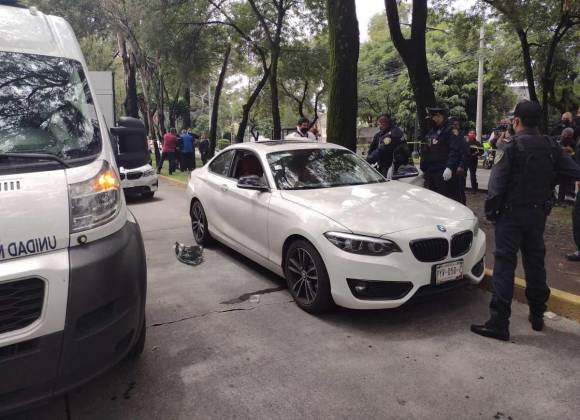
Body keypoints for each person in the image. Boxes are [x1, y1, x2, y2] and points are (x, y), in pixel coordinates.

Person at [471, 100, 580, 341]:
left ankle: (499, 323)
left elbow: (497, 184)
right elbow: (573, 172)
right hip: (537, 215)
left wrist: (491, 212)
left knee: (504, 265)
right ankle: (538, 314)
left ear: (517, 121)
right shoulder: (551, 146)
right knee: (535, 263)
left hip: (510, 216)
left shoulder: (512, 147)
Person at [420, 107, 465, 202]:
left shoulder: (450, 130)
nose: (432, 120)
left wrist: (449, 167)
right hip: (431, 171)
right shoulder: (433, 131)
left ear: (440, 116)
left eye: (433, 117)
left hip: (443, 170)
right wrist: (423, 167)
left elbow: (454, 150)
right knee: (433, 199)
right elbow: (427, 149)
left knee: (445, 200)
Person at [366, 113, 408, 179]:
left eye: (379, 124)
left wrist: (368, 160)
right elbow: (372, 148)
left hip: (393, 168)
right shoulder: (381, 134)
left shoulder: (392, 134)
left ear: (383, 123)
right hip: (386, 166)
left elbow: (381, 150)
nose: (379, 126)